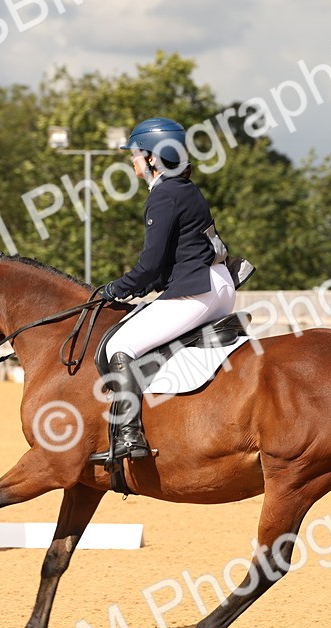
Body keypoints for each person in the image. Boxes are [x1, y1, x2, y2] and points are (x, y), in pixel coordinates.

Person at [95, 117, 238, 462]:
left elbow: (150, 266)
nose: (132, 161)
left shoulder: (164, 195)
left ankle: (130, 437)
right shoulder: (185, 190)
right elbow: (172, 261)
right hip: (216, 284)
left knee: (120, 344)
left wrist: (115, 288)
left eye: (135, 154)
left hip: (197, 290)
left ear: (153, 158)